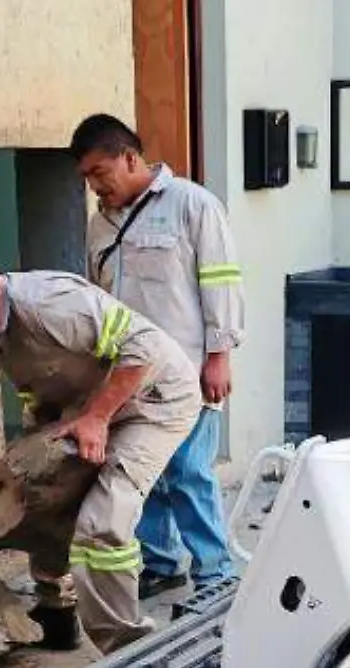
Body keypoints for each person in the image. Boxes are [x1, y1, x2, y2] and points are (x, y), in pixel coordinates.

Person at [0, 233, 200, 653]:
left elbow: (145, 349)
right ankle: (56, 610)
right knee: (39, 493)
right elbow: (40, 384)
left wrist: (97, 418)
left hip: (155, 399)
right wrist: (36, 446)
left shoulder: (49, 305)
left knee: (103, 523)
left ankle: (130, 651)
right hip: (89, 402)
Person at [70, 114, 245, 599]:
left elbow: (221, 281)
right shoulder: (99, 227)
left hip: (188, 370)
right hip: (129, 374)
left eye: (99, 172)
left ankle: (214, 573)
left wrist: (219, 355)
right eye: (85, 177)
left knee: (189, 471)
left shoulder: (193, 205)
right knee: (144, 469)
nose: (94, 186)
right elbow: (96, 301)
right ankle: (161, 563)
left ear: (130, 158)